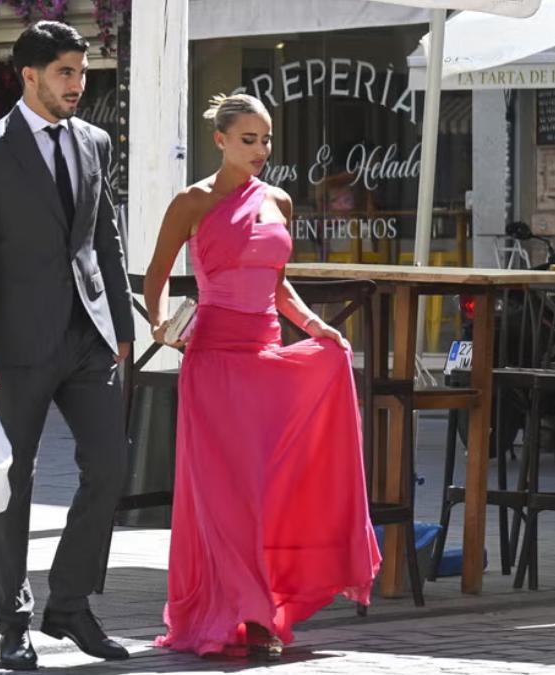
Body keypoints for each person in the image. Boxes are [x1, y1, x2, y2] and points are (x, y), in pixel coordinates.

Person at [144, 94, 381, 660]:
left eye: (267, 139)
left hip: (266, 356)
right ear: (220, 140)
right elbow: (157, 273)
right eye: (248, 140)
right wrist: (158, 323)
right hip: (213, 361)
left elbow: (277, 283)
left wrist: (316, 327)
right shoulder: (192, 201)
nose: (261, 150)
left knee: (268, 489)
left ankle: (262, 604)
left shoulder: (278, 200)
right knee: (227, 495)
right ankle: (248, 614)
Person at [0, 21, 133, 670]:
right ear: (29, 76)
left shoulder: (94, 142)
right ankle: (13, 622)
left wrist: (123, 326)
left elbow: (105, 238)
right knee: (12, 483)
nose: (77, 84)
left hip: (88, 337)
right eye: (65, 73)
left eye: (82, 72)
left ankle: (71, 605)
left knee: (110, 467)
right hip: (15, 345)